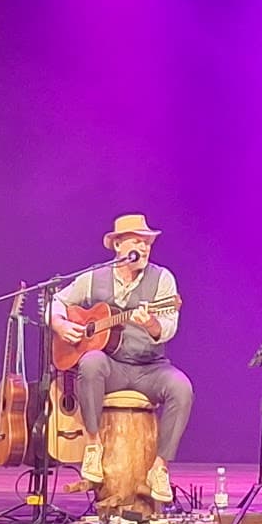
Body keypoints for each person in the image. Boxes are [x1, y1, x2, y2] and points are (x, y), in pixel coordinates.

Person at [51, 213, 187, 504]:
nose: (145, 246)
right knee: (90, 362)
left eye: (148, 241)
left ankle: (159, 469)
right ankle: (92, 447)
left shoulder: (163, 279)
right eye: (137, 240)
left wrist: (150, 323)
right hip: (113, 368)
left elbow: (169, 327)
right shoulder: (93, 277)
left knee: (182, 388)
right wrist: (60, 324)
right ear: (117, 246)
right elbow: (57, 300)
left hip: (150, 367)